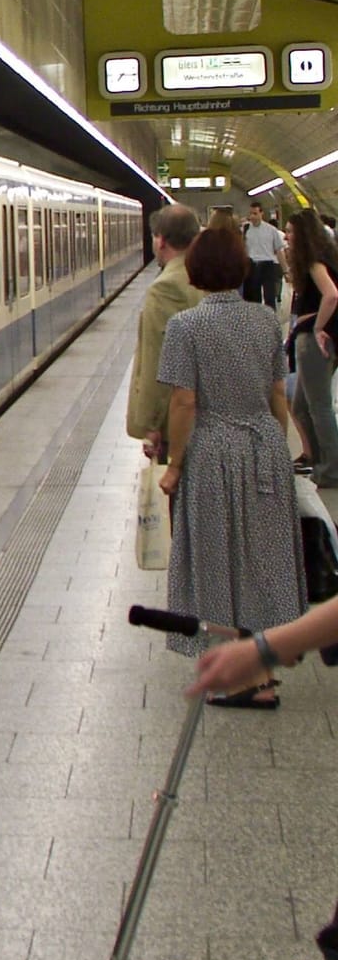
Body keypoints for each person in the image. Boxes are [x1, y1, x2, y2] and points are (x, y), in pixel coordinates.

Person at [156, 220, 304, 706]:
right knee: (265, 561)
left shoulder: (186, 326)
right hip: (263, 444)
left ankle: (234, 675)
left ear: (196, 271)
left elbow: (184, 402)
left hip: (213, 451)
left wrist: (175, 464)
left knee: (217, 562)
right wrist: (277, 452)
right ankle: (262, 670)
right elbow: (277, 393)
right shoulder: (265, 320)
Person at [125, 204, 204, 460]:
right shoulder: (203, 275)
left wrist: (152, 423)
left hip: (176, 418)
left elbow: (158, 360)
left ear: (161, 240)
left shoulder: (166, 287)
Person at [285, 207, 338, 486]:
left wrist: (317, 325)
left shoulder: (314, 263)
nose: (287, 236)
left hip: (316, 341)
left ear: (303, 235)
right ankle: (319, 460)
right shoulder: (327, 257)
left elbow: (331, 295)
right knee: (301, 407)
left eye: (291, 231)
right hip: (316, 338)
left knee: (318, 407)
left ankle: (331, 469)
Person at [242, 200, 285, 310]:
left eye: (255, 213)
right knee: (253, 295)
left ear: (262, 213)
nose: (252, 216)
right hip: (251, 265)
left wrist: (285, 269)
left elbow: (279, 250)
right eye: (250, 213)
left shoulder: (271, 230)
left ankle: (271, 318)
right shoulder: (246, 229)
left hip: (267, 265)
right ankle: (256, 318)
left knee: (269, 296)